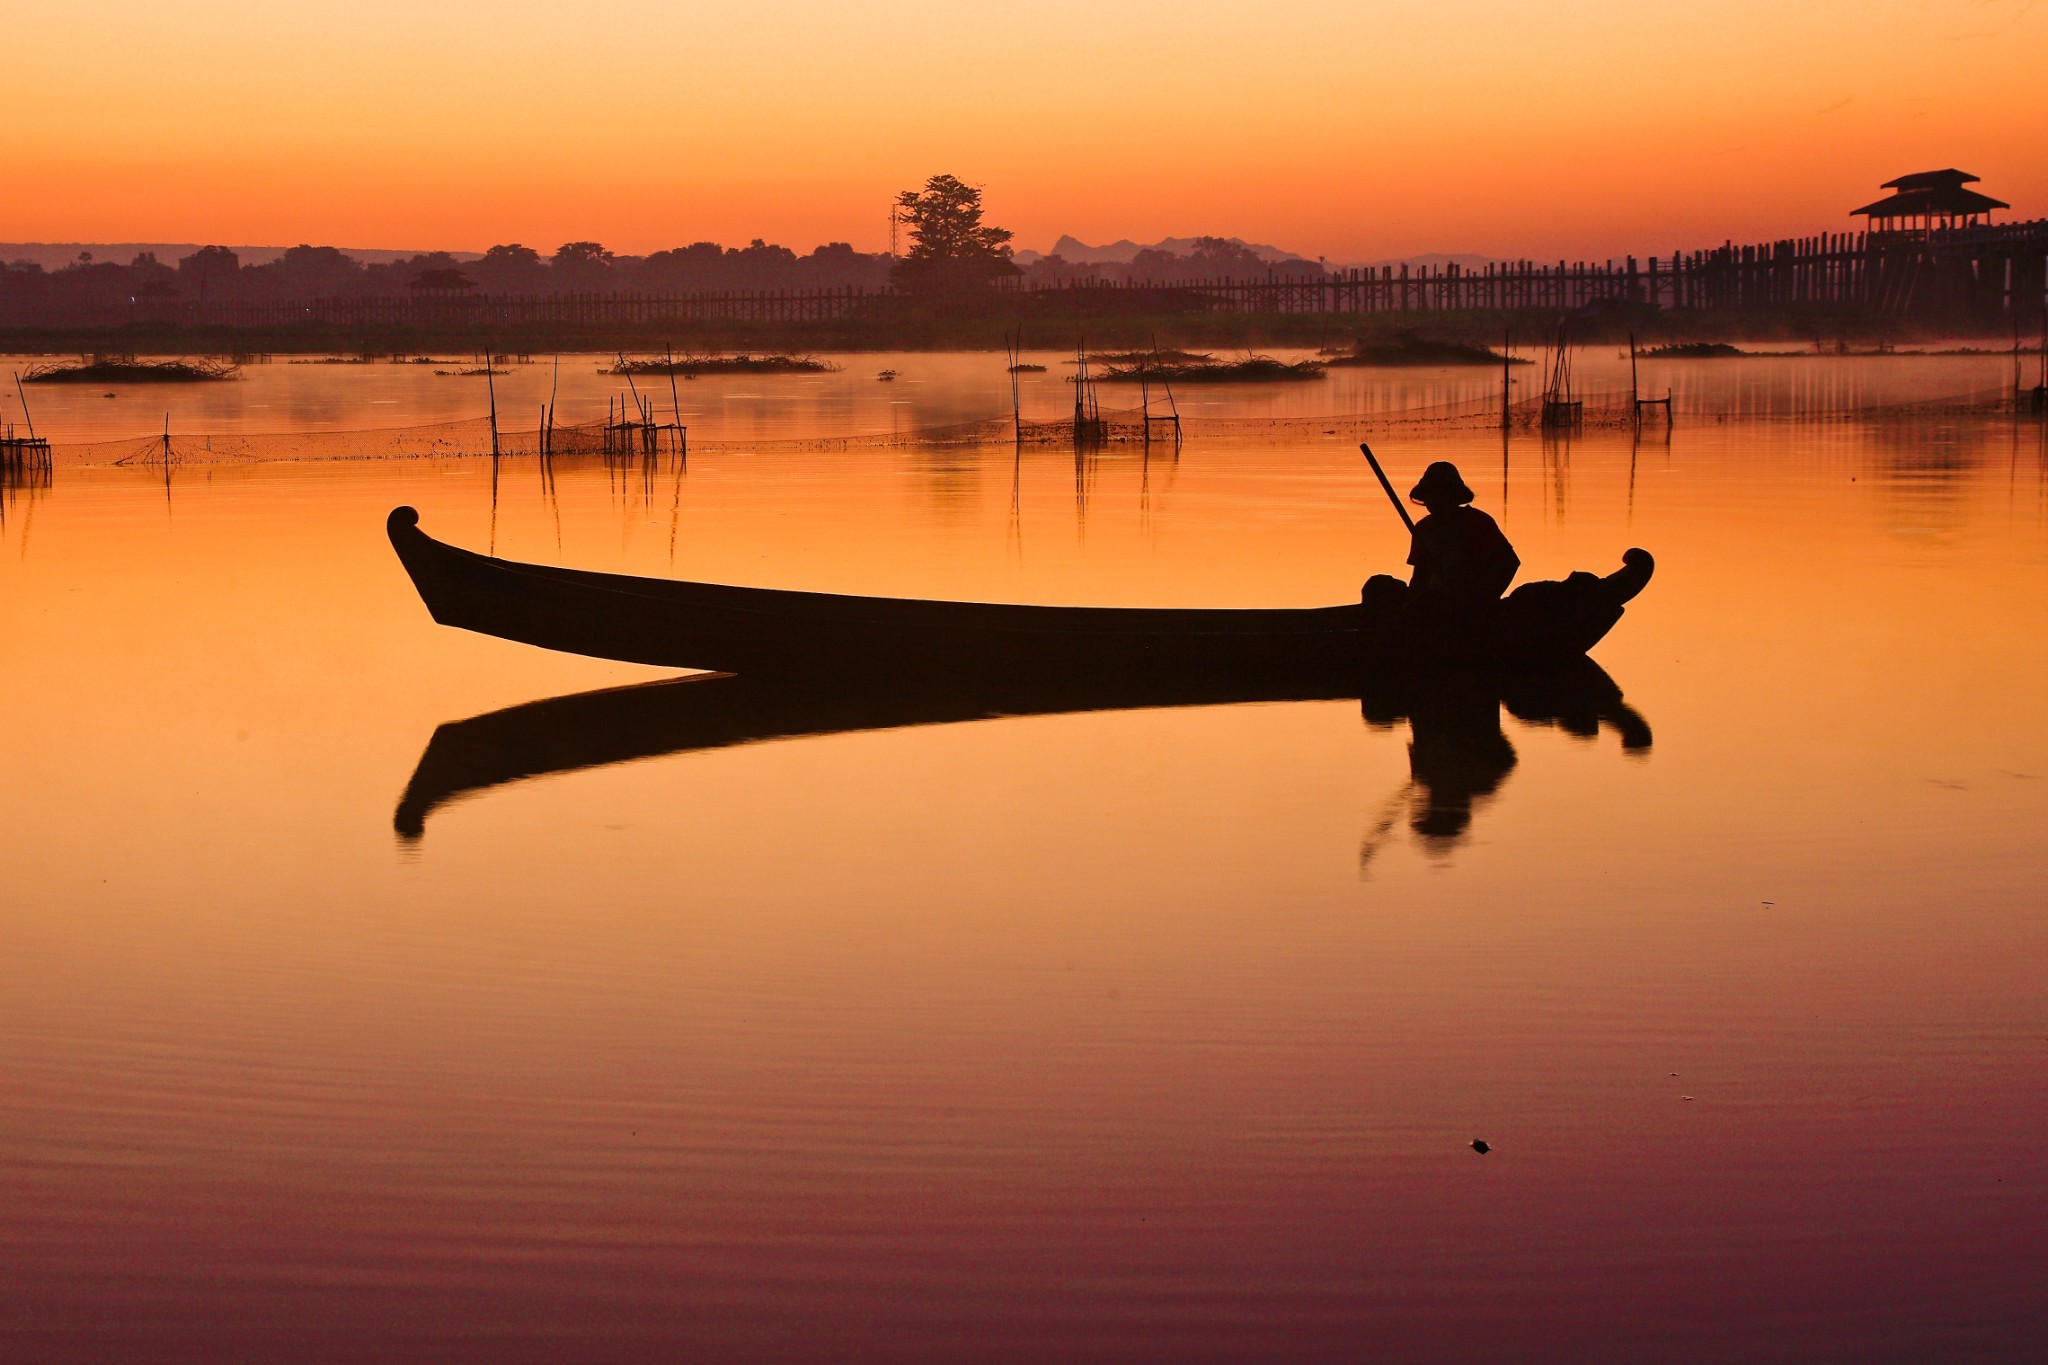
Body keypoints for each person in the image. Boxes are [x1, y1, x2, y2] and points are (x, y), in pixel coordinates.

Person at [1403, 460, 1518, 609]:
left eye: (1441, 494)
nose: (1435, 500)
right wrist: (1410, 604)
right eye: (1431, 494)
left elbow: (1509, 562)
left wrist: (1488, 598)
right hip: (1437, 601)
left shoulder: (1477, 522)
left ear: (1454, 495)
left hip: (1472, 599)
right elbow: (1420, 575)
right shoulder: (1423, 529)